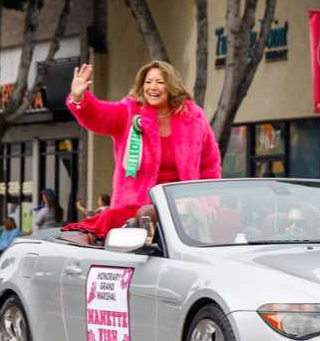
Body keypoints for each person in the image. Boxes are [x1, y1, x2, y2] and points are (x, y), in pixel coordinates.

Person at [64, 61, 221, 240]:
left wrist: (209, 204)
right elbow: (99, 115)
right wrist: (79, 98)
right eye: (148, 82)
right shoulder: (129, 110)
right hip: (135, 210)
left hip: (183, 211)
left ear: (171, 86)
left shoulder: (194, 116)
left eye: (159, 82)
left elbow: (210, 166)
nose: (152, 87)